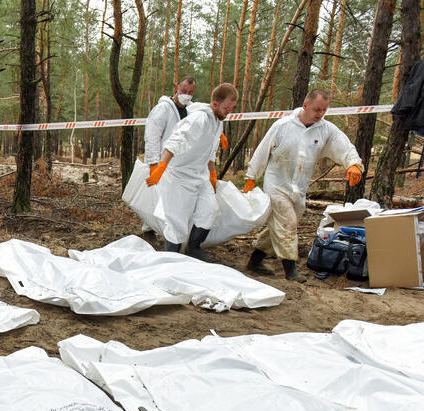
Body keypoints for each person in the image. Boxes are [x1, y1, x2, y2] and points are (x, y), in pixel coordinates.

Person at [243, 89, 363, 282]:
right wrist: (251, 176)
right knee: (288, 223)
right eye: (317, 109)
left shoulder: (325, 129)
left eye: (324, 110)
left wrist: (354, 164)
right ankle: (290, 270)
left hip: (299, 189)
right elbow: (262, 150)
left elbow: (343, 145)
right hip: (276, 185)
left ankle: (255, 261)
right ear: (305, 105)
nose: (320, 113)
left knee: (280, 226)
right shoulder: (282, 126)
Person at [146, 83, 238, 260]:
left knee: (210, 211)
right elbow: (176, 140)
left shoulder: (218, 121)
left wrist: (212, 174)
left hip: (200, 175)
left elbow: (209, 153)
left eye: (232, 108)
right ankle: (171, 259)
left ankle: (193, 248)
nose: (230, 112)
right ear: (215, 104)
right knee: (177, 222)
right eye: (227, 108)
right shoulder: (199, 119)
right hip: (179, 176)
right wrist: (160, 167)